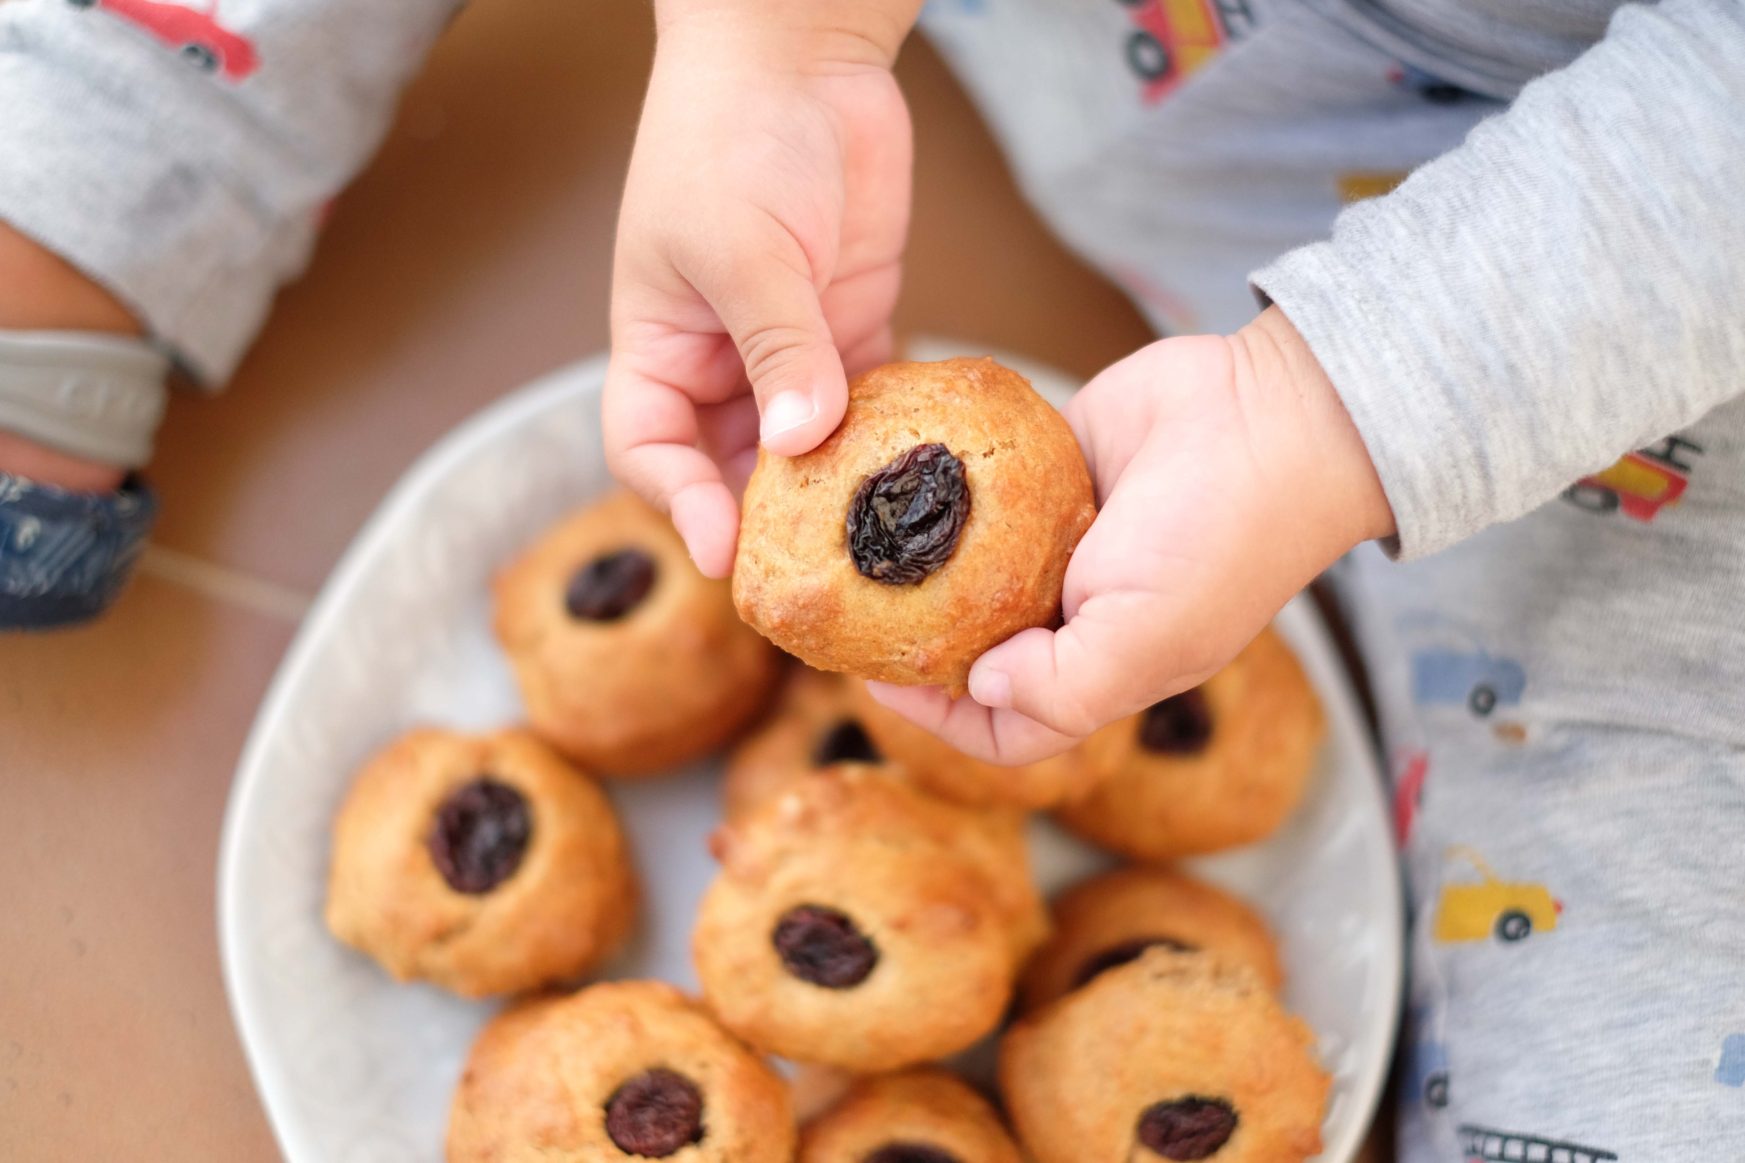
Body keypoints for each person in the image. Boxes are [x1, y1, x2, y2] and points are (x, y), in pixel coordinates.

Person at [0, 0, 1740, 1156]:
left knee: (1639, 1078)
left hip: (1609, 325)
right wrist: (771, 53)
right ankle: (79, 167)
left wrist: (1343, 406)